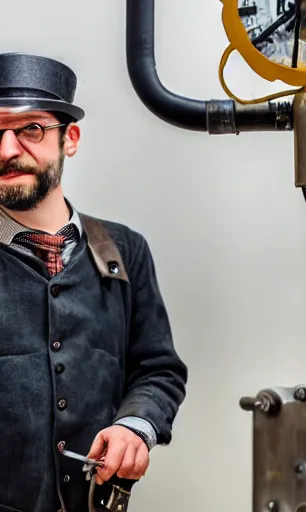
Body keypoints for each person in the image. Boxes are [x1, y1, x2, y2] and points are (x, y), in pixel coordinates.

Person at [0, 52, 188, 511]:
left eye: (31, 129)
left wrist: (135, 425)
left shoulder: (125, 250)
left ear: (71, 139)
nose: (7, 150)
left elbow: (158, 370)